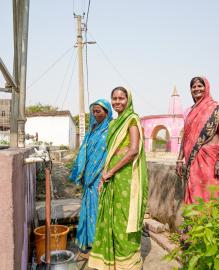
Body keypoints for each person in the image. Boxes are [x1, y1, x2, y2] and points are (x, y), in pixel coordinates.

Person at [88, 87, 148, 270]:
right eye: (114, 98)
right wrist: (104, 176)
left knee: (124, 218)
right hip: (111, 176)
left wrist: (110, 172)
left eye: (121, 98)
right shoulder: (113, 123)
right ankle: (112, 261)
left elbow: (133, 150)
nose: (117, 102)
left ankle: (127, 263)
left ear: (128, 99)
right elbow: (110, 153)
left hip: (127, 177)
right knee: (111, 218)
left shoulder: (132, 119)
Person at [176, 76, 219, 204]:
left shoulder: (215, 108)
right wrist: (179, 158)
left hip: (210, 160)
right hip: (192, 162)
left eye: (200, 86)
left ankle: (211, 223)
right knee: (194, 194)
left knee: (211, 194)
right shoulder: (189, 112)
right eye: (193, 87)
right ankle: (194, 224)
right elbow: (186, 137)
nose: (196, 89)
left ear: (206, 88)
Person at [69, 99, 113, 253]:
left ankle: (98, 244)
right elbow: (84, 152)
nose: (96, 114)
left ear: (107, 112)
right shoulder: (92, 130)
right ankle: (87, 241)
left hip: (100, 177)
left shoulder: (110, 130)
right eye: (94, 111)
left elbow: (111, 154)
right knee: (88, 208)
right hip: (88, 175)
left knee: (98, 209)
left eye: (99, 111)